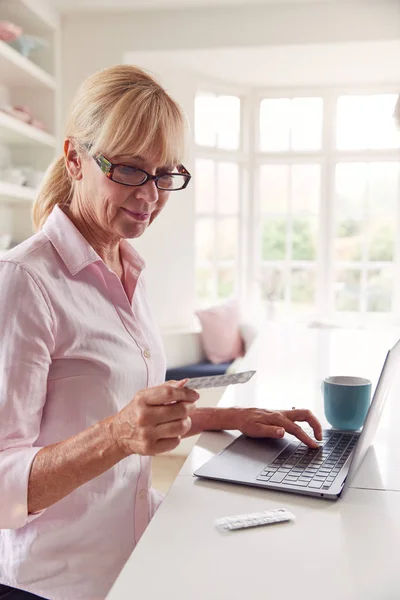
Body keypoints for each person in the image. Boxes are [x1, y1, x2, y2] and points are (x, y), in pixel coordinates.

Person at [0, 65, 322, 600]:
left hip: (134, 561)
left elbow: (125, 415)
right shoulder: (24, 281)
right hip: (54, 585)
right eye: (129, 169)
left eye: (166, 173)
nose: (150, 194)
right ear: (75, 159)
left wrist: (233, 418)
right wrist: (116, 436)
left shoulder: (128, 268)